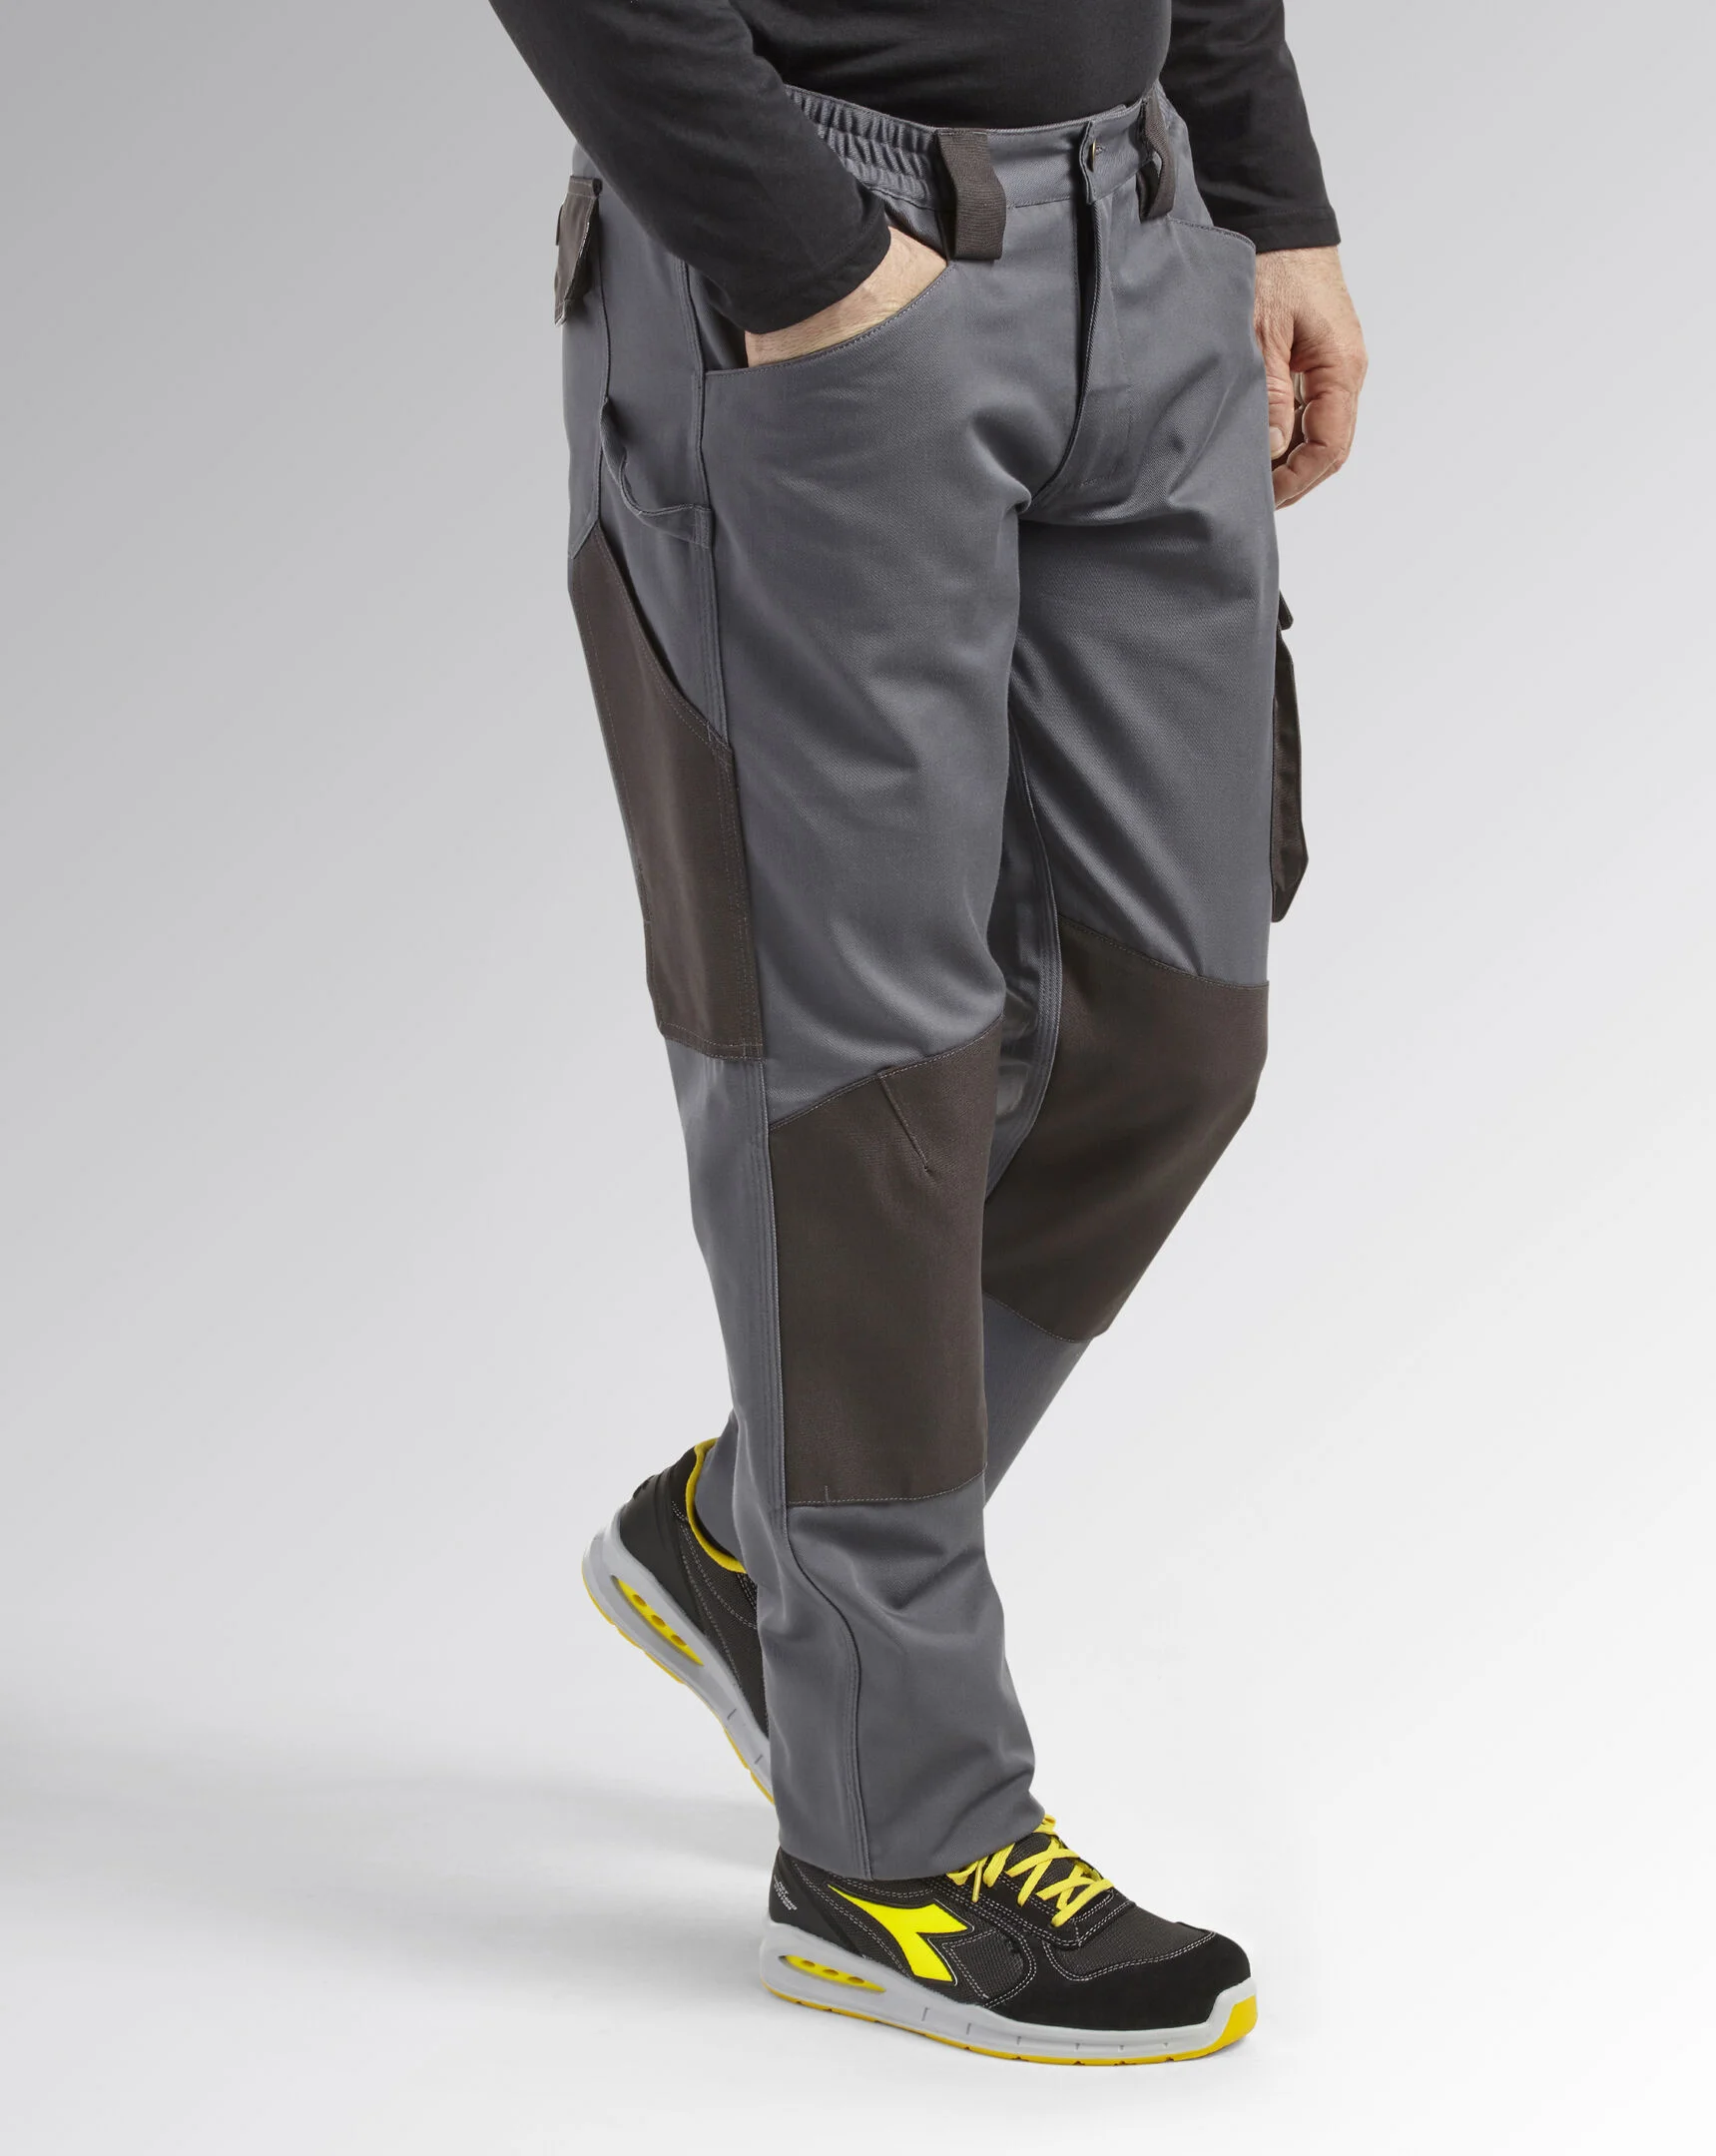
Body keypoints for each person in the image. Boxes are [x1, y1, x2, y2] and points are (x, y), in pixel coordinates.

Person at [490, 0, 1366, 2064]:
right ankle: (896, 1843)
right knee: (861, 1087)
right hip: (812, 255)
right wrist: (801, 254)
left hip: (1143, 220)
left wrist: (1267, 194)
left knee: (1174, 1028)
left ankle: (754, 1545)